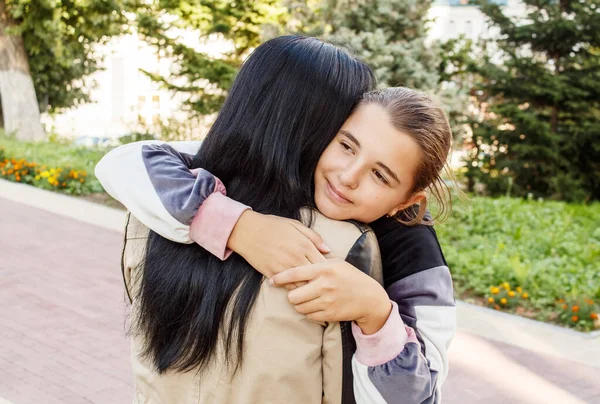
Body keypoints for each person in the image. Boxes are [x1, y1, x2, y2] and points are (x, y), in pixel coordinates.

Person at [97, 37, 455, 403]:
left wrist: (376, 311)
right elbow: (124, 161)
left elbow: (421, 393)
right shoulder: (208, 181)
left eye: (381, 175)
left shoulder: (402, 244)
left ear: (407, 201)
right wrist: (239, 227)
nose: (348, 176)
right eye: (344, 144)